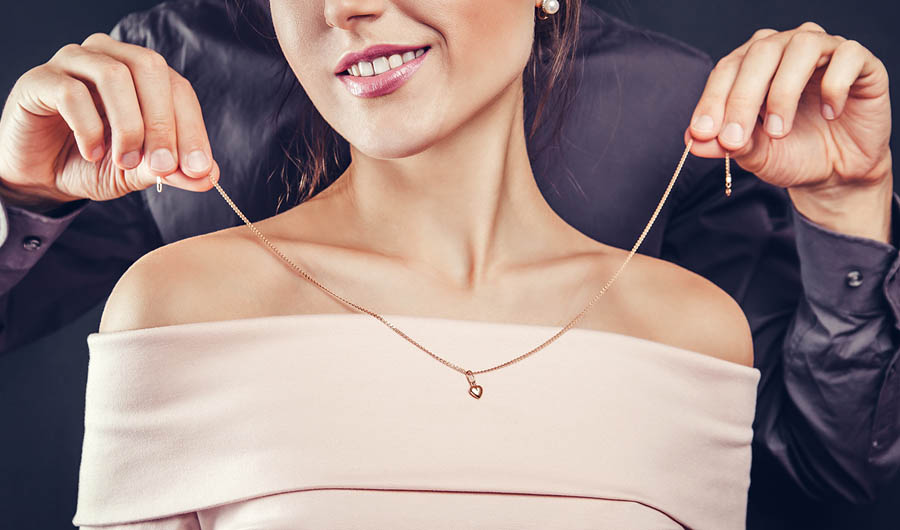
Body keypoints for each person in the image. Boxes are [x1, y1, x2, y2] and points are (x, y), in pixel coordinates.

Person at [0, 0, 895, 524]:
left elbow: (837, 466)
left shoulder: (692, 187)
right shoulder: (173, 263)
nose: (345, 8)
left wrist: (849, 206)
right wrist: (17, 191)